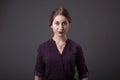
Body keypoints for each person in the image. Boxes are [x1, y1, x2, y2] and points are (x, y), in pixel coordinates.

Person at [34, 7, 88, 80]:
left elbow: (83, 75)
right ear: (51, 25)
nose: (61, 27)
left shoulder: (76, 47)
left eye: (64, 23)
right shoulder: (42, 48)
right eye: (57, 23)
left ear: (69, 25)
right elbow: (38, 76)